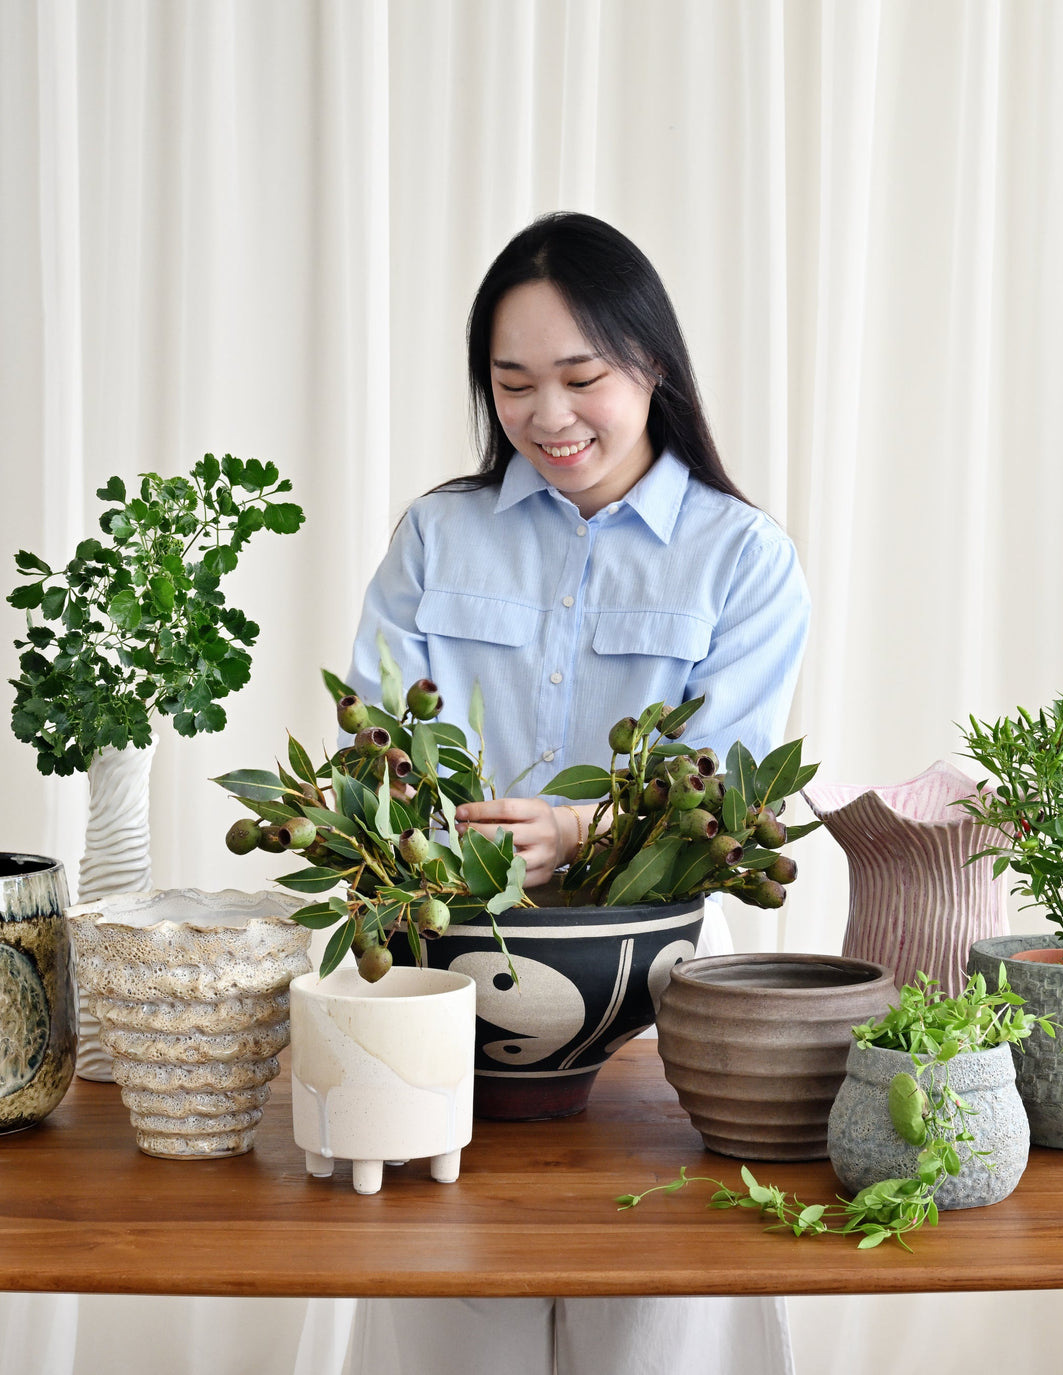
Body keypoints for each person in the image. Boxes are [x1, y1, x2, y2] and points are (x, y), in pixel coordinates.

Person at [339, 212, 809, 1375]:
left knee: (650, 1339)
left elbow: (728, 796)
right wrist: (442, 834)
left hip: (655, 1033)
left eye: (581, 377)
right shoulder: (436, 537)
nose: (547, 417)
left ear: (651, 364)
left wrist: (579, 829)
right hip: (441, 1018)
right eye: (511, 384)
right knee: (447, 1337)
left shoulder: (741, 560)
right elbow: (375, 750)